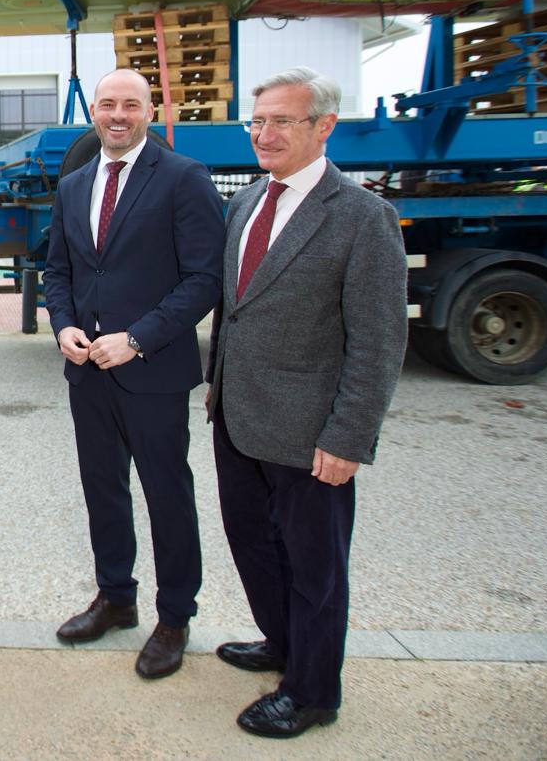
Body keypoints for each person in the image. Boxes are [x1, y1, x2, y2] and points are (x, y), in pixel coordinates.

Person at [207, 67, 407, 738]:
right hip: (238, 419)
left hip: (310, 433)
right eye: (256, 121)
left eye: (280, 121)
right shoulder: (245, 204)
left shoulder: (362, 216)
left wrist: (349, 437)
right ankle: (283, 642)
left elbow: (378, 342)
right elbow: (235, 312)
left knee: (315, 566)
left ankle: (314, 690)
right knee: (254, 546)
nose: (263, 133)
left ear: (323, 126)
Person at [42, 68, 225, 680]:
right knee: (103, 491)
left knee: (166, 495)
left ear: (152, 110)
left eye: (131, 105)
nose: (117, 115)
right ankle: (115, 597)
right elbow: (59, 272)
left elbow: (204, 278)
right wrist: (63, 326)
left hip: (152, 372)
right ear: (93, 111)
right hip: (87, 373)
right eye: (107, 104)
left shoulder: (182, 179)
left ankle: (174, 617)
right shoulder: (73, 185)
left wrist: (138, 339)